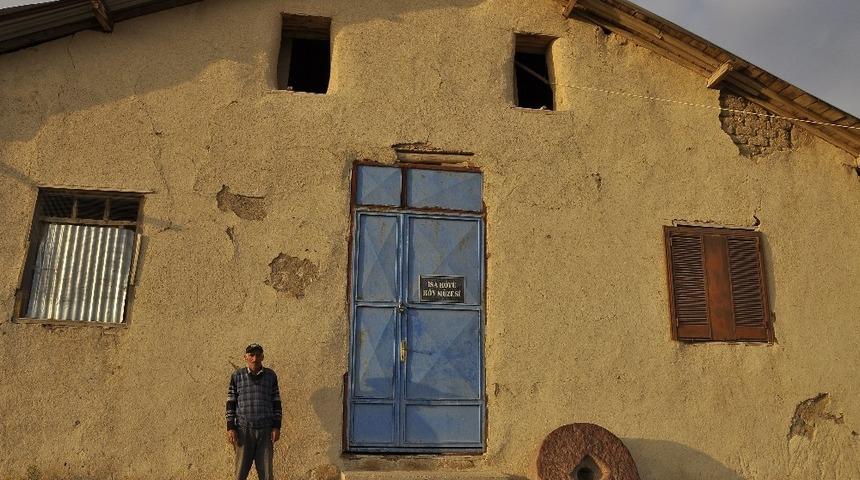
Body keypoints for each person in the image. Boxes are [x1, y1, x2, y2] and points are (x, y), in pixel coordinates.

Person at [226, 343, 282, 480]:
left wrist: (276, 427)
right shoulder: (237, 376)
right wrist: (231, 427)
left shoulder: (271, 376)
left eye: (258, 355)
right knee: (240, 473)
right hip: (243, 431)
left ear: (262, 356)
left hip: (266, 431)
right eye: (251, 355)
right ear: (245, 357)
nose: (255, 359)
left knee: (267, 475)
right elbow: (231, 403)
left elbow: (276, 402)